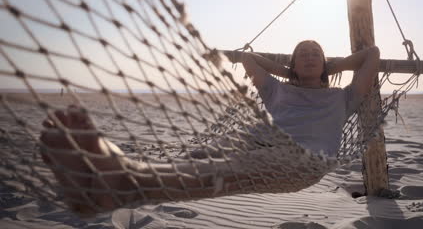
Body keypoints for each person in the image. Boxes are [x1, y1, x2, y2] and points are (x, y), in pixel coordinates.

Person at [40, 40, 379, 214]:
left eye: (315, 53)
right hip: (257, 141)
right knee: (203, 154)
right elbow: (248, 59)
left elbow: (372, 54)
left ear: (325, 64)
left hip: (303, 161)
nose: (308, 55)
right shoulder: (278, 89)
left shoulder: (342, 97)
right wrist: (288, 71)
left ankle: (119, 182)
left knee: (223, 169)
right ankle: (119, 176)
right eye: (302, 52)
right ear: (291, 63)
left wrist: (334, 65)